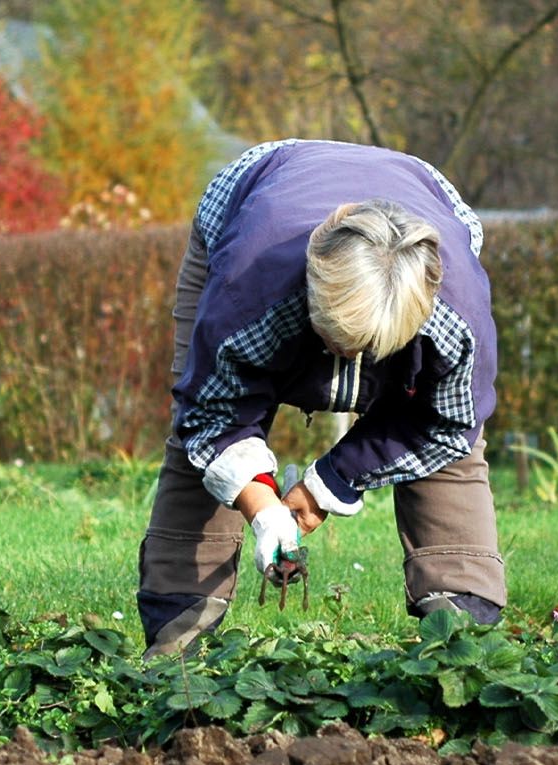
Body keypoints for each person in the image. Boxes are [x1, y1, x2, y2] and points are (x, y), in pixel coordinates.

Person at [136, 139, 505, 655]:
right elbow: (214, 412)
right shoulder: (247, 283)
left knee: (453, 456)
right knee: (195, 433)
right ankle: (177, 632)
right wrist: (265, 510)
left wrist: (327, 485)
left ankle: (461, 630)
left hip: (420, 198)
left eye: (368, 349)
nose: (347, 356)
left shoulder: (457, 314)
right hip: (255, 203)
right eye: (335, 339)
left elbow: (446, 424)